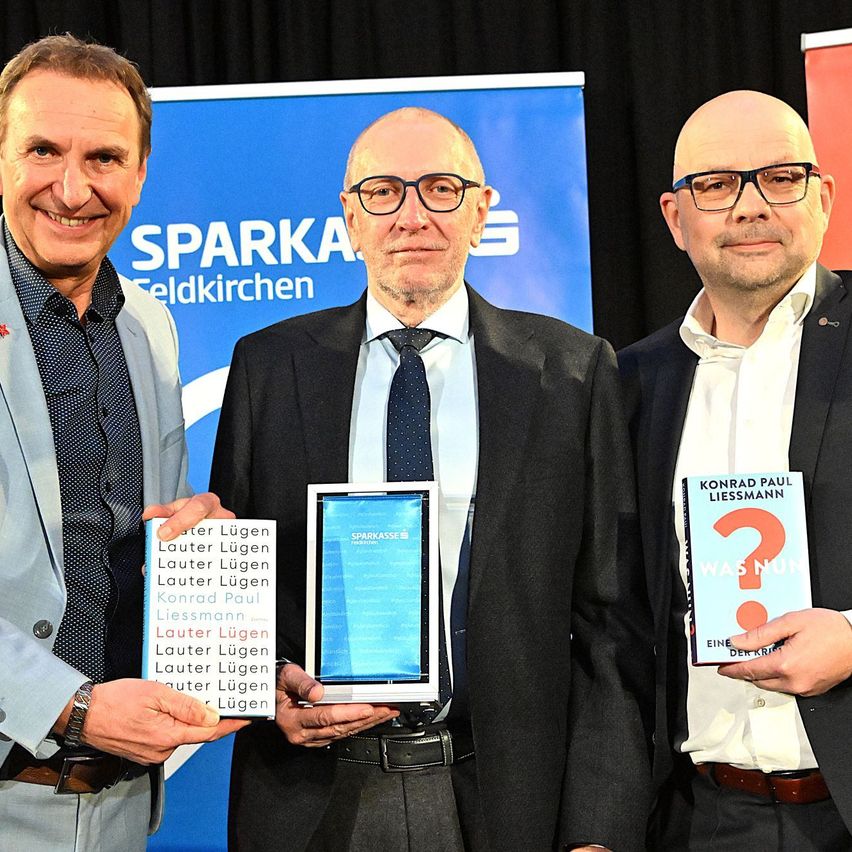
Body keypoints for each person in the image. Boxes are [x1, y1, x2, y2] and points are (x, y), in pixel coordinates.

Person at [211, 105, 653, 851]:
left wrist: (598, 831)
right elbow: (237, 585)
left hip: (511, 799)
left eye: (441, 189)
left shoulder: (573, 373)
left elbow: (611, 625)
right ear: (350, 219)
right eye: (383, 192)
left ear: (480, 213)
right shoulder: (268, 366)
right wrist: (264, 687)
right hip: (315, 796)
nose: (412, 215)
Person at [0, 34, 246, 850]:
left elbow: (122, 536)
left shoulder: (148, 325)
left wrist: (191, 546)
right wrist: (69, 707)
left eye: (104, 157)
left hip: (120, 808)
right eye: (43, 150)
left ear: (140, 174)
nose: (72, 188)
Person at [618, 90, 852, 850]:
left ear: (823, 196)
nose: (750, 206)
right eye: (717, 185)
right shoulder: (629, 383)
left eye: (780, 178)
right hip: (697, 818)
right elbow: (612, 618)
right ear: (675, 216)